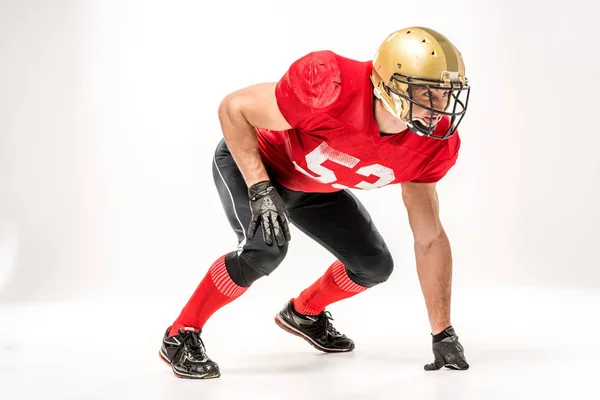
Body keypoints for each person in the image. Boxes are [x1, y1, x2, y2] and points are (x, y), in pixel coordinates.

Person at [159, 26, 471, 379]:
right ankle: (180, 334)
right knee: (264, 250)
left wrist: (442, 332)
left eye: (445, 94)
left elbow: (429, 238)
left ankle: (303, 313)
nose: (439, 106)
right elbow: (234, 108)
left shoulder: (433, 146)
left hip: (313, 187)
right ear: (390, 84)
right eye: (426, 93)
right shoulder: (330, 85)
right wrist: (260, 188)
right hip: (256, 165)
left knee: (374, 265)